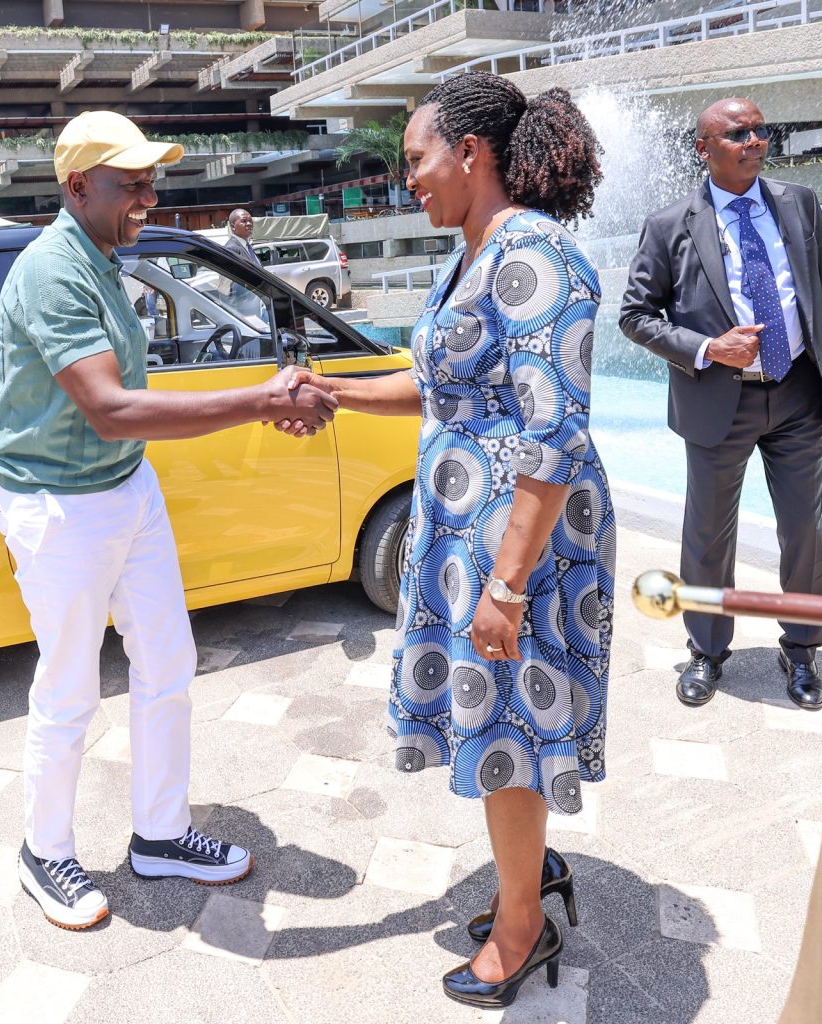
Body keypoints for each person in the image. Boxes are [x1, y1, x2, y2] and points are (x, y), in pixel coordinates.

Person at [285, 72, 612, 1009]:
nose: (408, 180)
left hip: (519, 543)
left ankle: (524, 929)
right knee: (496, 713)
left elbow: (557, 432)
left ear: (470, 154)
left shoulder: (535, 252)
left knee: (509, 719)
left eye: (417, 159)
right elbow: (439, 387)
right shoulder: (472, 252)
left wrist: (507, 585)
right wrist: (337, 391)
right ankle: (529, 873)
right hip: (468, 534)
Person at [0, 110, 337, 931]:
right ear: (78, 186)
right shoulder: (53, 272)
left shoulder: (105, 259)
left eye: (152, 181)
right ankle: (44, 850)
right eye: (132, 183)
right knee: (69, 686)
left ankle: (160, 832)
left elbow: (125, 410)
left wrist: (260, 399)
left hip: (124, 488)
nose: (150, 197)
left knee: (168, 661)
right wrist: (260, 401)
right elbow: (110, 407)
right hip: (59, 506)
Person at [619, 97, 822, 712]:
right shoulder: (669, 225)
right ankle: (707, 652)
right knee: (708, 535)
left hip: (798, 394)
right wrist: (709, 348)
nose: (754, 141)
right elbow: (635, 315)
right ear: (704, 149)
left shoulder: (801, 203)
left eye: (760, 130)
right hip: (717, 402)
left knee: (809, 531)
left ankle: (802, 649)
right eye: (738, 133)